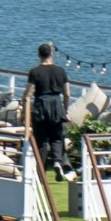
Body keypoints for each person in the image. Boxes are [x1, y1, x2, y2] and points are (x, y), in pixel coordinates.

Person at [26, 42, 71, 177]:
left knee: (41, 141)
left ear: (39, 55)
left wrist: (24, 114)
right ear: (51, 54)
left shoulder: (34, 72)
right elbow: (67, 93)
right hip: (56, 104)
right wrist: (65, 110)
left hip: (41, 105)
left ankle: (41, 171)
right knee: (57, 137)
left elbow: (28, 94)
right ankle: (57, 161)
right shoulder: (60, 71)